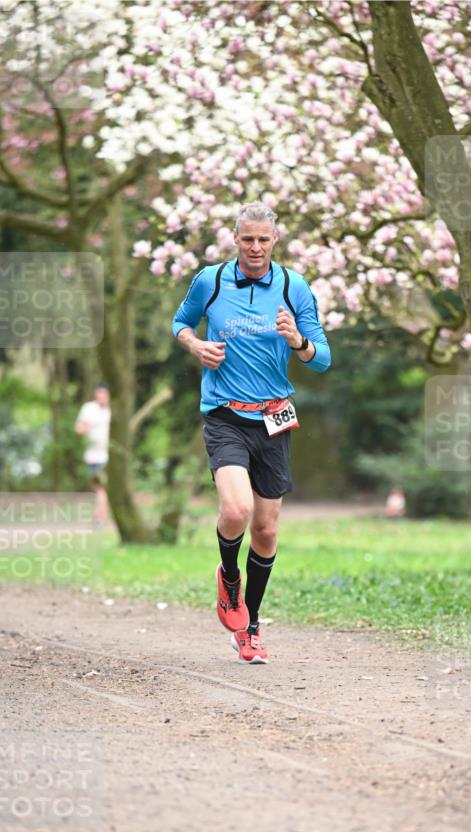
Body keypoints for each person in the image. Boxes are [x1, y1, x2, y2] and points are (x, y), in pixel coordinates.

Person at [171, 201, 331, 664]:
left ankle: (251, 628)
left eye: (263, 239)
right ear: (234, 239)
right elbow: (180, 323)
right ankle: (228, 578)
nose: (255, 247)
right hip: (225, 415)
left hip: (274, 418)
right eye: (247, 239)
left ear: (275, 240)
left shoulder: (292, 287)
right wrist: (195, 344)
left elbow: (322, 358)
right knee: (237, 509)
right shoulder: (212, 281)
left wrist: (296, 341)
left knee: (265, 529)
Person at [75, 383, 111, 529]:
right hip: (91, 455)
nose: (101, 398)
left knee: (101, 488)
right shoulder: (89, 408)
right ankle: (103, 517)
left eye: (103, 395)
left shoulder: (113, 411)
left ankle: (99, 519)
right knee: (96, 488)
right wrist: (87, 426)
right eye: (98, 395)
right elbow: (78, 428)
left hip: (106, 455)